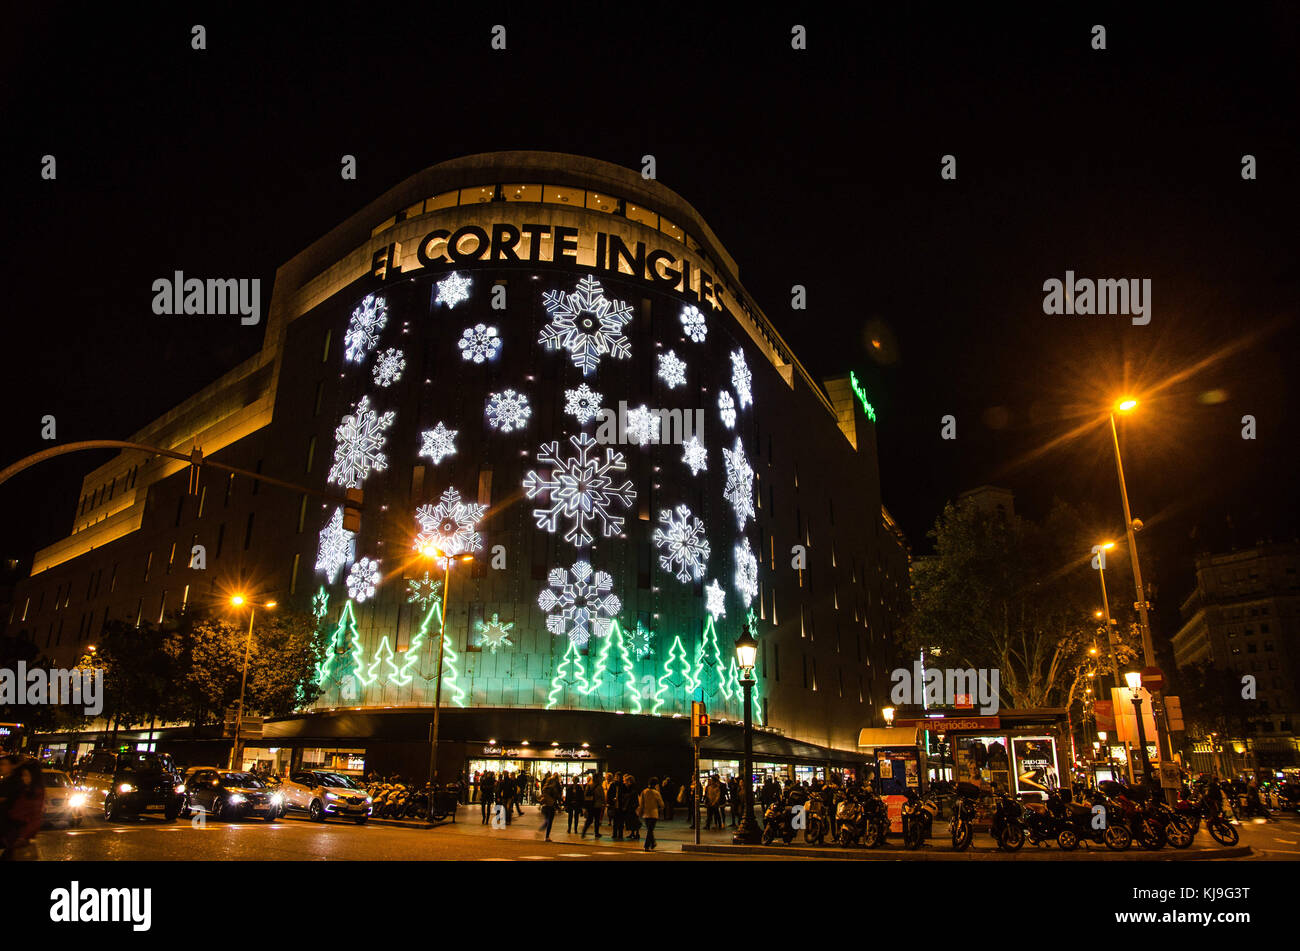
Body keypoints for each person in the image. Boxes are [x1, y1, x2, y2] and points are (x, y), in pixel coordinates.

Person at [1, 759, 44, 861]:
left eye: (26, 775)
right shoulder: (25, 789)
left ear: (33, 776)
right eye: (23, 775)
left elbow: (36, 817)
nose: (24, 778)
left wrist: (23, 837)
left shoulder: (35, 793)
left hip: (18, 834)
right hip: (11, 833)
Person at [638, 777, 665, 851]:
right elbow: (661, 804)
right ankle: (647, 845)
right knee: (650, 830)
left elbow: (641, 803)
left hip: (646, 814)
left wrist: (640, 811)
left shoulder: (644, 792)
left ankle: (653, 843)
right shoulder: (656, 793)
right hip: (654, 814)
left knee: (649, 830)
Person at [539, 772, 561, 842]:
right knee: (550, 821)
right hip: (551, 805)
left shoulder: (545, 788)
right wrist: (558, 806)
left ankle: (543, 828)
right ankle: (547, 836)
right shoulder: (554, 788)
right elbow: (557, 797)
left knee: (547, 819)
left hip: (545, 805)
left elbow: (543, 795)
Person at [581, 772, 605, 838]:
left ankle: (584, 831)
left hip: (590, 805)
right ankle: (596, 833)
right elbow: (602, 796)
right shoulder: (599, 787)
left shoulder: (589, 785)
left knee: (589, 819)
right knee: (597, 820)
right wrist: (604, 803)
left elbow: (585, 795)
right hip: (597, 805)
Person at [621, 774, 640, 840]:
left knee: (633, 820)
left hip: (632, 806)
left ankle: (636, 833)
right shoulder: (632, 787)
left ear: (629, 781)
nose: (625, 783)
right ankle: (633, 833)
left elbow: (631, 797)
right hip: (633, 806)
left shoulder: (632, 788)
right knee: (632, 820)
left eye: (626, 781)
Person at [608, 772, 626, 839]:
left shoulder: (623, 786)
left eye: (619, 777)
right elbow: (609, 794)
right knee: (615, 820)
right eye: (616, 777)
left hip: (621, 805)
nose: (618, 778)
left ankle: (620, 834)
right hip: (614, 805)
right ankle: (614, 833)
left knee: (621, 821)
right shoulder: (612, 785)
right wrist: (612, 799)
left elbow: (625, 795)